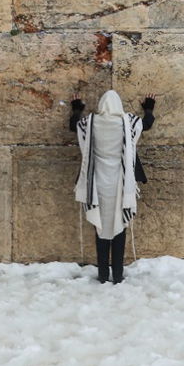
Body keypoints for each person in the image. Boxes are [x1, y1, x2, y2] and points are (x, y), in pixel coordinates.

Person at [69, 91, 155, 283]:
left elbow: (73, 125)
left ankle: (102, 275)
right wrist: (149, 106)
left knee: (101, 227)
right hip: (120, 184)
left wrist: (77, 108)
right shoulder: (129, 122)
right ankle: (117, 275)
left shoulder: (90, 122)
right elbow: (147, 123)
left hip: (97, 182)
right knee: (119, 225)